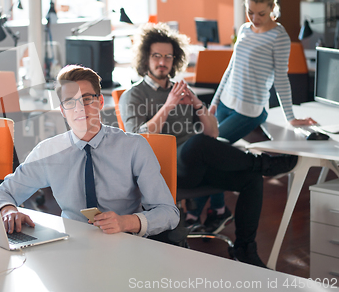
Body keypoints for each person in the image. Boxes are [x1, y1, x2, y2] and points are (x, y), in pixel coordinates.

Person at [119, 22, 299, 267]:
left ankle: (245, 248)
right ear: (145, 58)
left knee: (249, 178)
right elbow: (137, 137)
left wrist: (198, 105)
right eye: (157, 56)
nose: (163, 61)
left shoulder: (180, 89)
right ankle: (263, 162)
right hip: (161, 173)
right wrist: (169, 105)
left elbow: (212, 134)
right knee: (196, 145)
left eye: (168, 56)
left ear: (175, 59)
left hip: (194, 166)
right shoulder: (134, 95)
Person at [0, 65, 180, 239]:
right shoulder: (48, 151)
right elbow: (4, 192)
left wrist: (126, 222)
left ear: (100, 101)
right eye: (70, 102)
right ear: (62, 110)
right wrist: (8, 209)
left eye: (86, 99)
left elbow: (168, 212)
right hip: (71, 243)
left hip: (123, 240)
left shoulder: (134, 147)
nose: (79, 108)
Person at [209, 0, 316, 144]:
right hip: (225, 102)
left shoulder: (279, 36)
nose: (255, 19)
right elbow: (231, 68)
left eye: (261, 14)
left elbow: (281, 79)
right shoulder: (244, 29)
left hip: (250, 110)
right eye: (250, 12)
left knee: (211, 144)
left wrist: (291, 117)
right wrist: (214, 102)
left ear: (272, 7)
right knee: (202, 142)